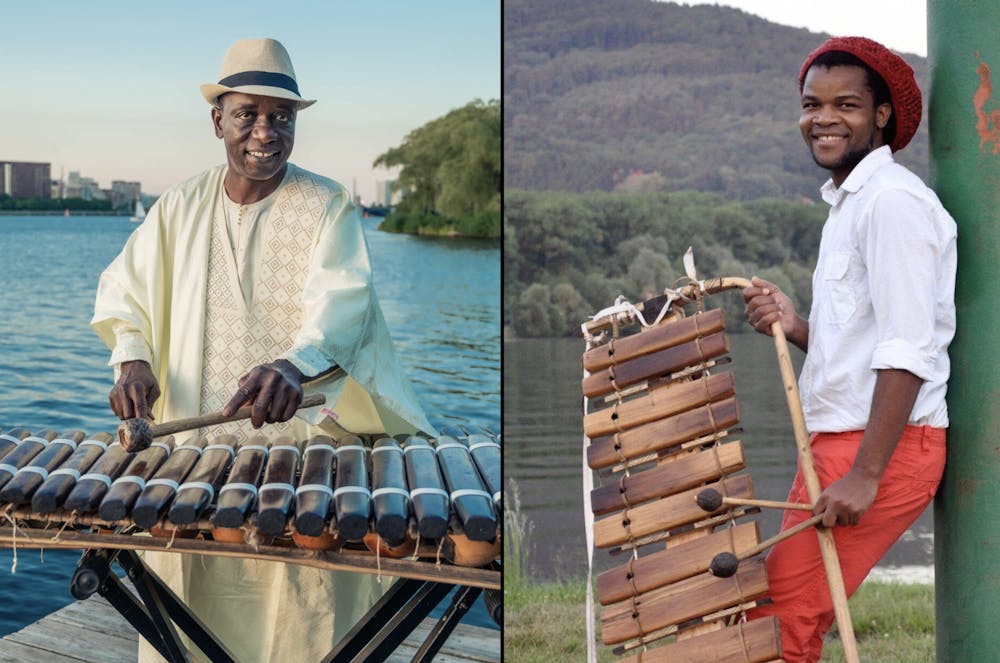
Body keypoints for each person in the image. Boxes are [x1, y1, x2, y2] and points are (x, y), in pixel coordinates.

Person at [92, 37, 435, 662]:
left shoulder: (327, 203)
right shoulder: (179, 205)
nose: (265, 132)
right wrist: (133, 355)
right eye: (247, 113)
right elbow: (124, 288)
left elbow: (344, 304)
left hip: (297, 461)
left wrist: (292, 365)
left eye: (282, 117)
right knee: (187, 623)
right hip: (193, 465)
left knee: (299, 623)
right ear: (217, 119)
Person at [742, 36, 956, 662]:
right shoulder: (851, 205)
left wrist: (866, 473)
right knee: (775, 617)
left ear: (882, 115)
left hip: (880, 451)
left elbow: (910, 348)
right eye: (812, 104)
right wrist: (799, 327)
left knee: (780, 629)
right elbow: (867, 337)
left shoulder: (890, 204)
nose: (824, 119)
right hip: (843, 442)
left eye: (847, 105)